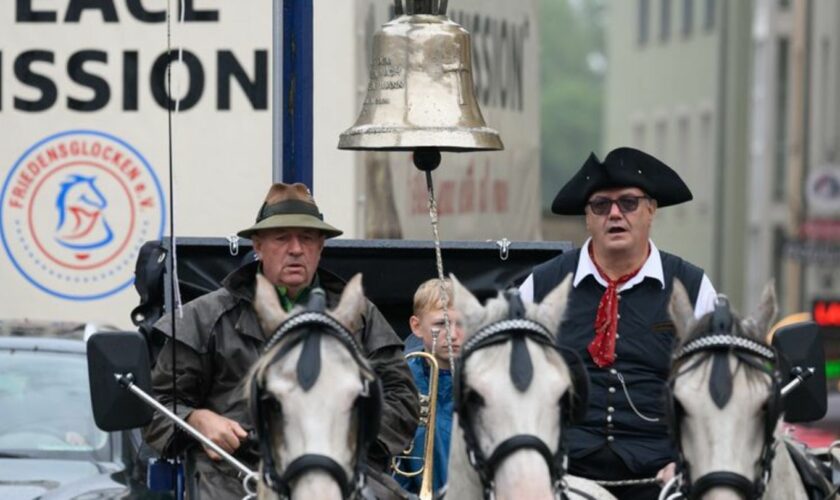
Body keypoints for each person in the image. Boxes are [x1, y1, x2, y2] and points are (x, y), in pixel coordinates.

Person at [143, 182, 419, 500]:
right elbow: (155, 406)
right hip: (234, 476)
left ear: (321, 246)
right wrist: (197, 419)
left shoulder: (359, 316)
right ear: (257, 246)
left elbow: (402, 399)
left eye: (307, 238)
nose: (296, 249)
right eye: (281, 238)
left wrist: (348, 433)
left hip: (342, 473)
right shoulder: (204, 318)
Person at [519, 147, 717, 500]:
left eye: (628, 203)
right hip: (561, 475)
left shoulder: (693, 287)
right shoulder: (541, 285)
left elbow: (716, 392)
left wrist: (689, 463)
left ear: (651, 210)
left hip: (662, 478)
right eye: (600, 205)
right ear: (587, 217)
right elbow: (509, 379)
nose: (614, 214)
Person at [395, 278, 464, 497]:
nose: (452, 334)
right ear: (416, 326)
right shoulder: (399, 381)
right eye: (440, 324)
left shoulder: (484, 383)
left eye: (460, 323)